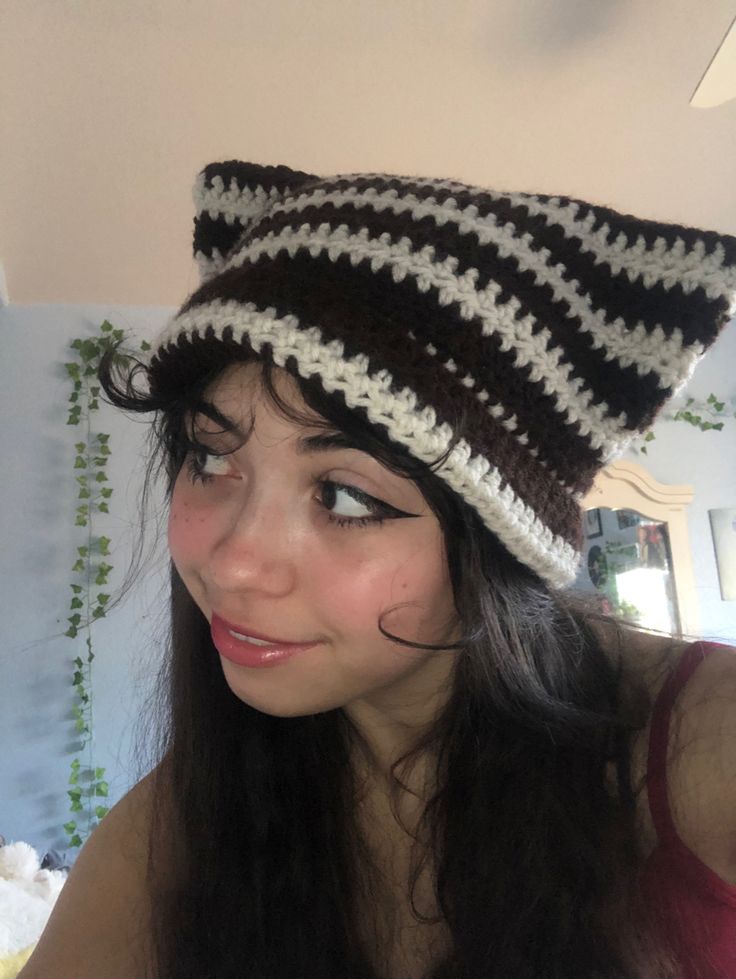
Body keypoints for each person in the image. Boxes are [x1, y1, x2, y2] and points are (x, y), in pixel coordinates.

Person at [20, 162, 736, 979]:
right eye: (209, 455)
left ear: (493, 547)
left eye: (347, 497)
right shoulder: (184, 821)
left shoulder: (704, 751)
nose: (234, 561)